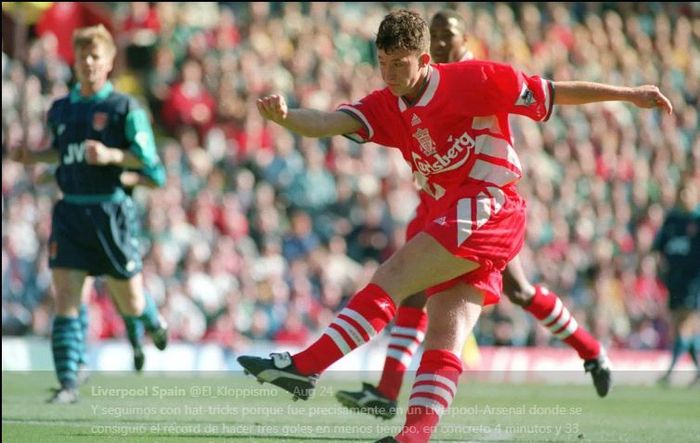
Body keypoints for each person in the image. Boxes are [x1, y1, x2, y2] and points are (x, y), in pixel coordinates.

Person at [237, 10, 672, 443]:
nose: (389, 73)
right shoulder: (387, 104)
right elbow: (329, 122)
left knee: (393, 278)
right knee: (444, 329)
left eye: (400, 63)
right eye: (383, 62)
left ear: (425, 60)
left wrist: (630, 94)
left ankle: (305, 368)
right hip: (461, 213)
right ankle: (413, 437)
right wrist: (286, 117)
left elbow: (553, 92)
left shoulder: (476, 79)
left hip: (490, 203)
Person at [334, 10, 611, 421]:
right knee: (409, 286)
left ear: (464, 39)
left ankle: (590, 349)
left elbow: (534, 101)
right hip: (434, 201)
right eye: (438, 35)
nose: (443, 42)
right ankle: (387, 390)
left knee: (518, 291)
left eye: (450, 35)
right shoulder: (418, 81)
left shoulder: (471, 78)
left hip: (479, 204)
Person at [10, 24, 169, 404]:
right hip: (70, 211)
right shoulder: (60, 109)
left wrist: (113, 155)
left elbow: (150, 163)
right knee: (66, 297)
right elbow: (63, 152)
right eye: (82, 57)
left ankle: (151, 319)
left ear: (110, 61)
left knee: (128, 301)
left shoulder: (125, 109)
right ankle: (67, 384)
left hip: (110, 211)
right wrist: (34, 156)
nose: (88, 63)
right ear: (75, 63)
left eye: (95, 56)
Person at [653, 179, 700, 386]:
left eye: (687, 193)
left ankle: (671, 371)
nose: (683, 197)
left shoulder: (697, 220)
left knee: (685, 324)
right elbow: (659, 248)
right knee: (679, 325)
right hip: (674, 279)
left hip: (694, 279)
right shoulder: (672, 220)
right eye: (681, 193)